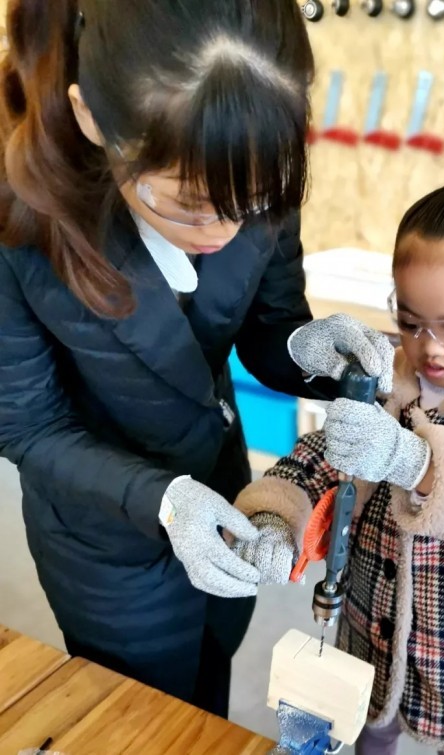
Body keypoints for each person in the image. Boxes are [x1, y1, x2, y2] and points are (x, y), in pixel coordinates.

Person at [0, 0, 394, 718]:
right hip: (106, 548)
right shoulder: (21, 214)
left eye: (253, 200)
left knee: (210, 696)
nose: (224, 229)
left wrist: (316, 353)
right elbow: (26, 427)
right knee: (140, 716)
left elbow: (272, 326)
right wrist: (162, 500)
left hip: (227, 490)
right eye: (187, 203)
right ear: (92, 120)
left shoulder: (252, 159)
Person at [233, 132, 444, 754]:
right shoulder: (385, 378)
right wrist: (278, 519)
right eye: (410, 321)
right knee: (364, 725)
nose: (430, 347)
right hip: (368, 610)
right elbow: (320, 457)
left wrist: (414, 460)